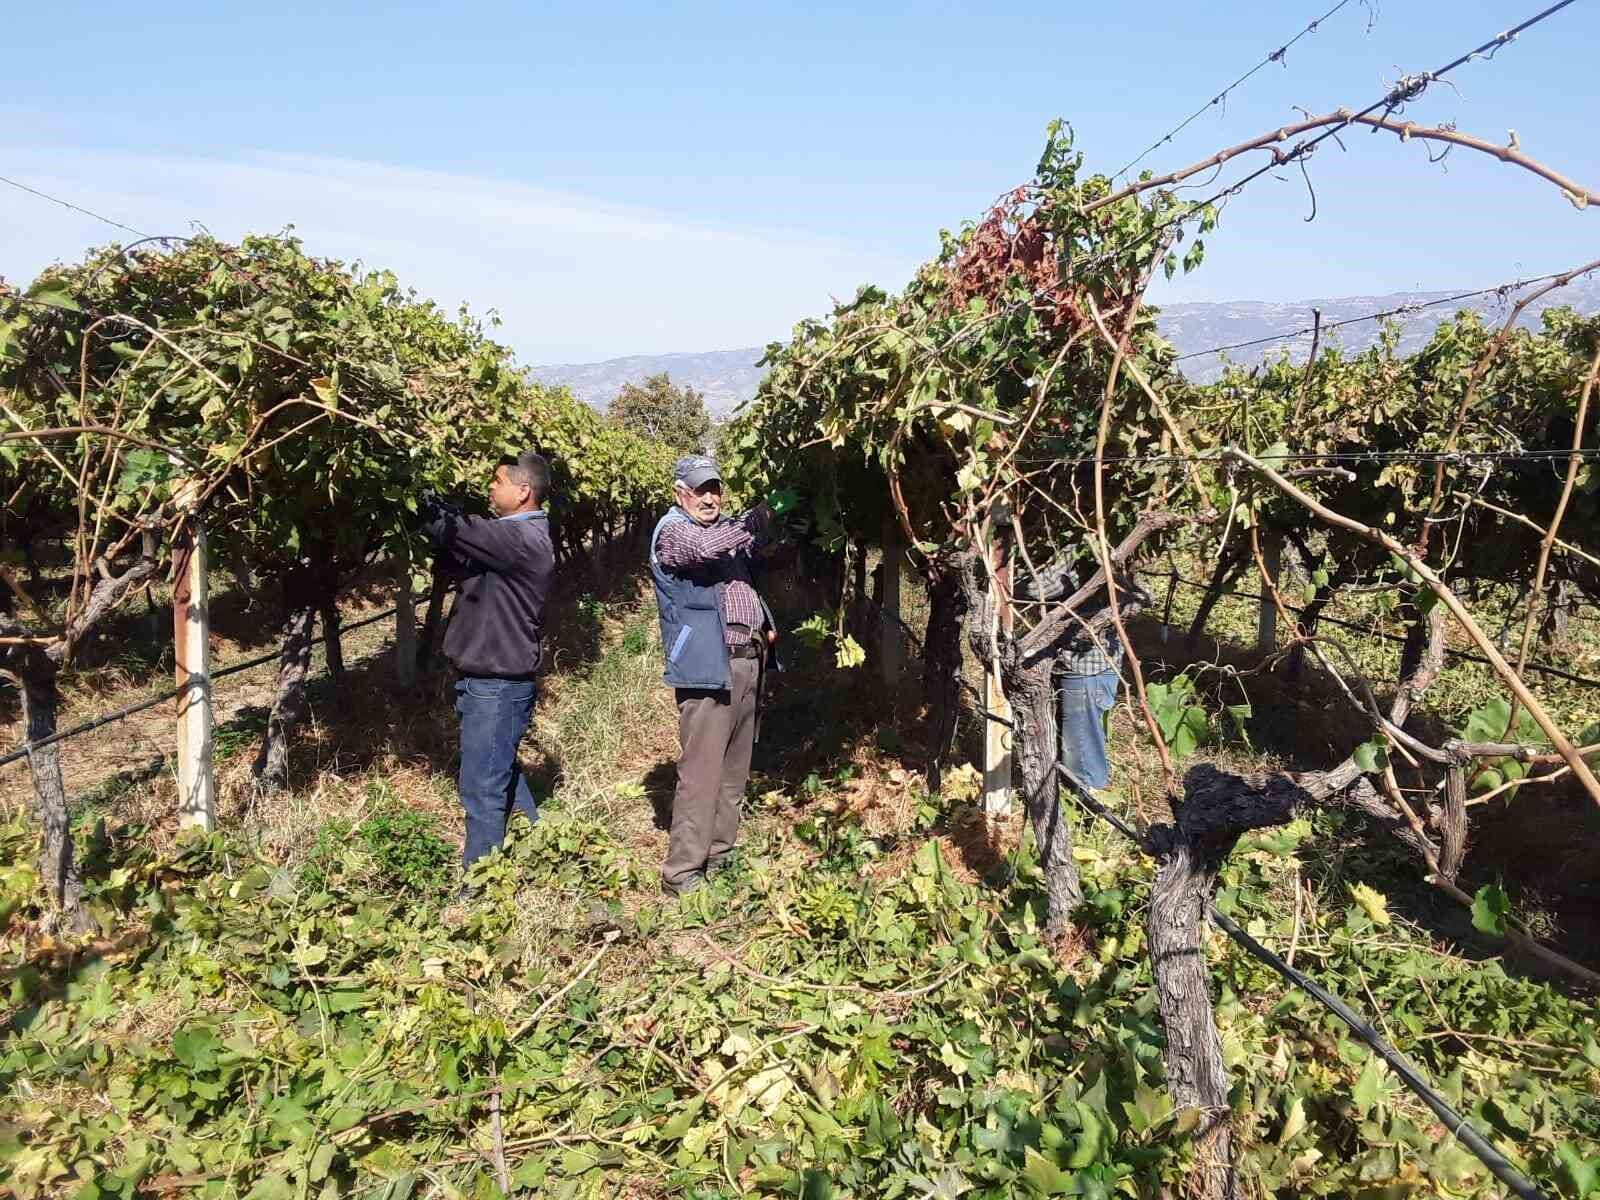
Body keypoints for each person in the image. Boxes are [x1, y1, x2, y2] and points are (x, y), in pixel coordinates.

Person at [649, 454, 778, 896]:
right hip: (709, 666)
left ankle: (720, 856)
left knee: (733, 772)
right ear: (679, 492)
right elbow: (701, 549)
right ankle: (683, 874)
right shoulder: (674, 531)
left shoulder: (725, 536)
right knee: (702, 775)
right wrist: (753, 520)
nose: (709, 497)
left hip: (747, 661)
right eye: (700, 489)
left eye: (715, 488)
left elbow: (753, 557)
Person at [419, 451, 555, 870]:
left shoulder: (520, 539)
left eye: (497, 481)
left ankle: (479, 883)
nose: (490, 488)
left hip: (496, 686)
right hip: (489, 681)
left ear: (523, 490)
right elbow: (454, 547)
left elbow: (452, 527)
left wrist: (412, 486)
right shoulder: (513, 537)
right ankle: (544, 846)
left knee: (481, 788)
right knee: (499, 769)